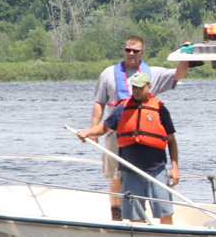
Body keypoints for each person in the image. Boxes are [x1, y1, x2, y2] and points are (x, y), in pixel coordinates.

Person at [92, 35, 190, 220]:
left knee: (143, 175)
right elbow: (99, 103)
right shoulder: (108, 74)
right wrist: (93, 130)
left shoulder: (152, 73)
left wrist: (184, 54)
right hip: (114, 132)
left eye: (135, 51)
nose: (131, 53)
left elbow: (180, 74)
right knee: (115, 176)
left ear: (142, 53)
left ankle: (149, 216)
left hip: (144, 133)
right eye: (128, 50)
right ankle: (117, 215)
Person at [78, 72, 181, 224]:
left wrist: (175, 168)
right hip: (130, 172)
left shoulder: (160, 110)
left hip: (156, 170)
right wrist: (87, 132)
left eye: (140, 87)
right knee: (135, 216)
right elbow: (104, 128)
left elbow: (171, 141)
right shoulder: (122, 109)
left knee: (165, 212)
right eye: (134, 87)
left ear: (149, 87)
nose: (136, 91)